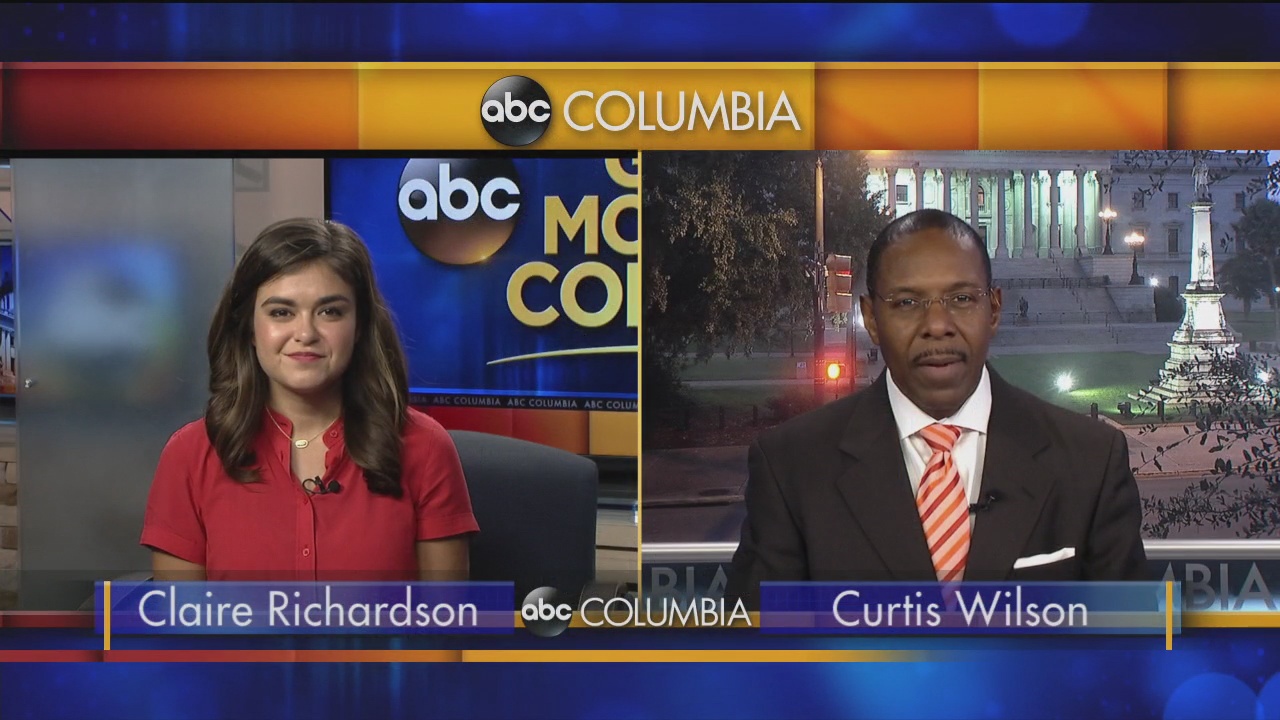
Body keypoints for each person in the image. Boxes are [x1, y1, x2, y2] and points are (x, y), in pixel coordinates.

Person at [726, 209, 1147, 609]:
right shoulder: (791, 467)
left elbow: (1129, 647)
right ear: (870, 318)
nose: (937, 325)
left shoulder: (1091, 460)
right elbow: (755, 652)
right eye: (907, 303)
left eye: (961, 298)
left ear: (994, 309)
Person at [141, 218, 479, 582]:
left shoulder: (424, 449)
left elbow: (443, 617)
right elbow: (182, 617)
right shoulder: (190, 455)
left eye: (330, 312)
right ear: (249, 328)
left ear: (359, 326)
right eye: (281, 312)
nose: (305, 333)